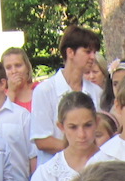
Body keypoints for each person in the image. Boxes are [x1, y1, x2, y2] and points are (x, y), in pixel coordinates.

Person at [31, 26, 103, 164]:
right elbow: (42, 140)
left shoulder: (96, 92)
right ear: (70, 52)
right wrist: (79, 148)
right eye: (87, 52)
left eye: (94, 52)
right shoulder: (44, 91)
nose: (93, 57)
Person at [2, 47, 37, 111]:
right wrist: (11, 91)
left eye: (18, 65)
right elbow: (4, 114)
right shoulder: (1, 95)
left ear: (27, 68)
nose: (14, 71)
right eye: (8, 68)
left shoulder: (38, 88)